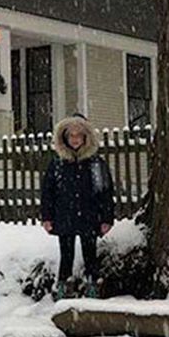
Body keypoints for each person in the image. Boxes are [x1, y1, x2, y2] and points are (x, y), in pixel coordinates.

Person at [40, 115, 115, 299]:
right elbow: (47, 192)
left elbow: (105, 192)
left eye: (79, 135)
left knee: (90, 254)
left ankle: (93, 285)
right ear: (64, 138)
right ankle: (64, 285)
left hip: (90, 216)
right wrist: (47, 217)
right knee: (66, 254)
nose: (75, 139)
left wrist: (107, 218)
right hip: (64, 216)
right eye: (71, 135)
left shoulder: (95, 164)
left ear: (85, 138)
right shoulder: (57, 164)